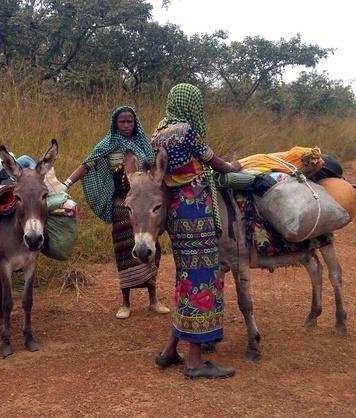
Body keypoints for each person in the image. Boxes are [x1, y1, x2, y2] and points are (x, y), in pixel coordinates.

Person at [149, 83, 240, 379]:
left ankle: (169, 351)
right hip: (196, 210)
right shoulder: (187, 130)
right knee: (203, 279)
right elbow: (216, 163)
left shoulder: (158, 132)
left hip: (176, 212)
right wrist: (234, 165)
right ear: (191, 104)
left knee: (185, 279)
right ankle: (195, 362)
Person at [63, 106, 170, 319]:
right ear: (115, 123)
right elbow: (86, 165)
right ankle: (125, 302)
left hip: (146, 203)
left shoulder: (143, 144)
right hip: (123, 205)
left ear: (135, 122)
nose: (127, 125)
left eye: (130, 121)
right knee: (123, 250)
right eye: (122, 122)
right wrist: (65, 184)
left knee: (152, 247)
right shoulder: (107, 145)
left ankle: (153, 299)